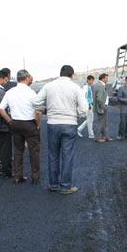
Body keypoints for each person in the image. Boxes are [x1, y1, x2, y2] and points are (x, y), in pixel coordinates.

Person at [33, 65, 87, 194]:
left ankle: (53, 184)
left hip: (52, 124)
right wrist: (76, 113)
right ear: (72, 75)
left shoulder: (48, 86)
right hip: (70, 124)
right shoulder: (76, 88)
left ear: (60, 73)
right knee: (67, 156)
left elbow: (36, 102)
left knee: (53, 155)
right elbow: (84, 110)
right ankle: (65, 186)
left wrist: (47, 110)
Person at [0, 70, 41, 184]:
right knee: (34, 151)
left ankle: (18, 176)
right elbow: (37, 111)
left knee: (18, 151)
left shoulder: (10, 92)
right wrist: (38, 124)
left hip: (15, 123)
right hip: (29, 123)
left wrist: (9, 120)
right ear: (26, 78)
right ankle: (35, 177)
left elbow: (1, 108)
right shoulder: (31, 92)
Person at [92, 73, 111, 143]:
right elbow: (99, 98)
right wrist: (103, 107)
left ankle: (105, 137)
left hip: (102, 106)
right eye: (106, 78)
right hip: (101, 107)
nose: (107, 79)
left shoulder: (99, 85)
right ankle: (97, 138)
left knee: (104, 123)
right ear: (103, 78)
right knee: (99, 123)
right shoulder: (100, 86)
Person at [77, 75, 95, 139]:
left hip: (91, 104)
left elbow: (90, 97)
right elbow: (84, 97)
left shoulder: (90, 86)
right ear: (88, 80)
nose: (93, 81)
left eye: (93, 80)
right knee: (90, 120)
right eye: (92, 80)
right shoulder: (85, 87)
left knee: (90, 119)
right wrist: (88, 105)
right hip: (88, 105)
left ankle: (79, 129)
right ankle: (91, 134)